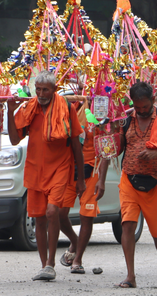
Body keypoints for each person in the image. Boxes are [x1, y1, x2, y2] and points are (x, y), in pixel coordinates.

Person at [7, 70, 85, 281]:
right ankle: (44, 265)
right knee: (39, 219)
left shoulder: (66, 108)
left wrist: (80, 178)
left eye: (45, 90)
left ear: (54, 90)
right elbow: (15, 140)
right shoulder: (29, 109)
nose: (40, 93)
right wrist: (9, 111)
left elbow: (76, 144)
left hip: (60, 168)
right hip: (35, 170)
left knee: (52, 213)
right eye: (38, 89)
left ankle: (51, 263)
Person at [115, 81, 157, 288]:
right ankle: (130, 276)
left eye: (145, 106)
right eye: (137, 107)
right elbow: (116, 150)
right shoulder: (125, 120)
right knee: (127, 225)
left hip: (156, 181)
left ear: (153, 100)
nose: (141, 111)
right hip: (129, 180)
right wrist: (107, 132)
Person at [59, 108, 108, 274]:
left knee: (86, 216)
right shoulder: (64, 109)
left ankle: (77, 259)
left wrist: (101, 180)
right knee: (58, 212)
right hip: (68, 169)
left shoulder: (100, 113)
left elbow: (105, 150)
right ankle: (75, 239)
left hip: (92, 170)